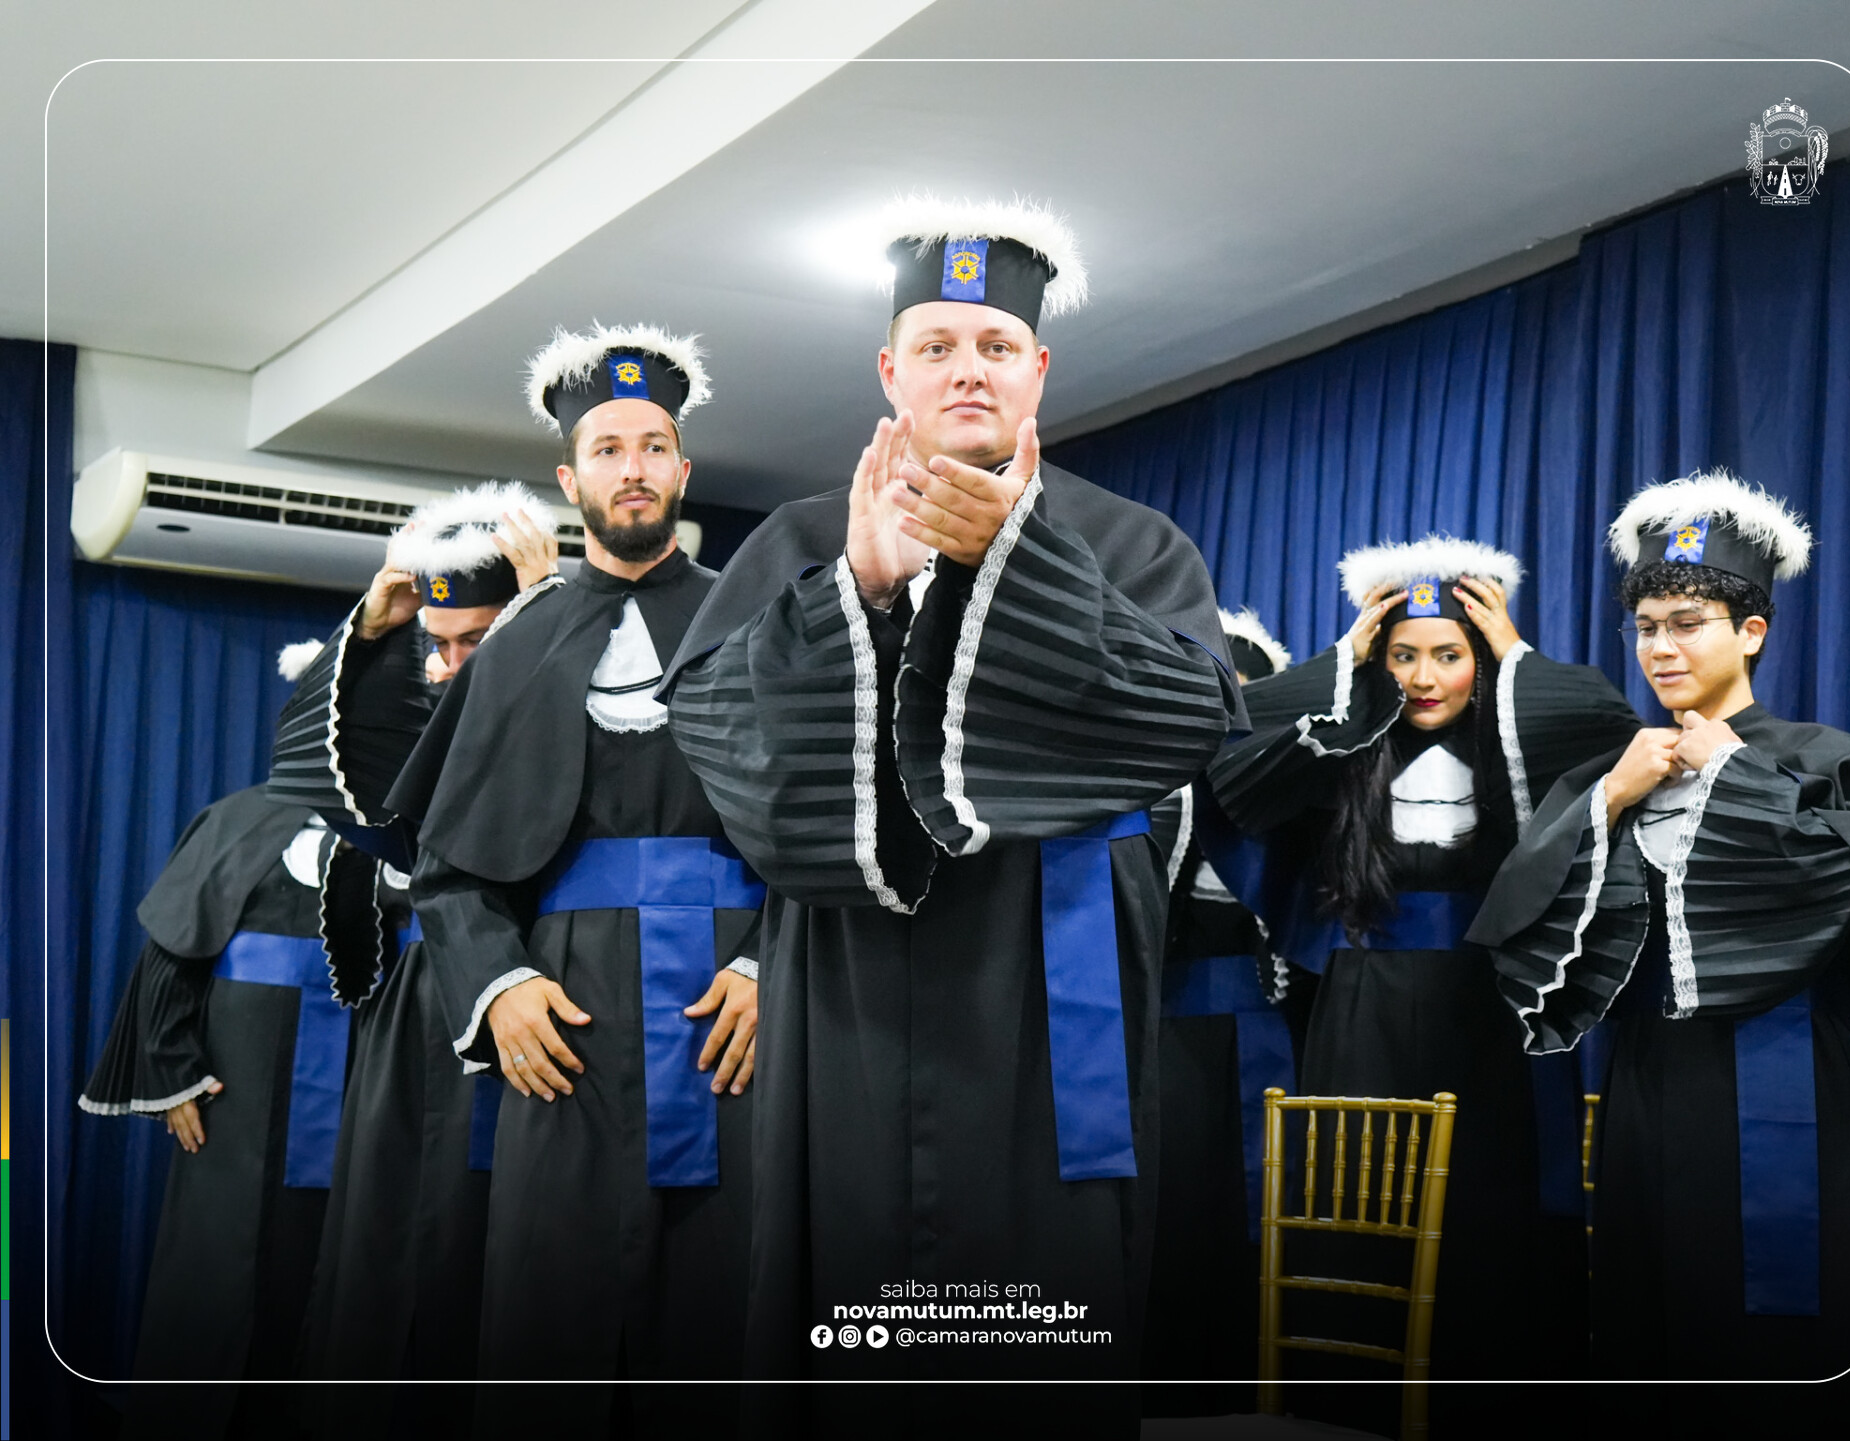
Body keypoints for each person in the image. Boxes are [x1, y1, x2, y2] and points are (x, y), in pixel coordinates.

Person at [659, 197, 1243, 1434]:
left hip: (1051, 960)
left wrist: (1021, 568)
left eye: (994, 345)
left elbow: (1190, 715)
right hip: (850, 968)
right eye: (936, 346)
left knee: (1042, 1284)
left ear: (1038, 368)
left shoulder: (1130, 541)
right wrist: (859, 590)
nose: (967, 369)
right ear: (891, 372)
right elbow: (715, 729)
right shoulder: (802, 537)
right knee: (850, 1254)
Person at [1467, 470, 1850, 1437]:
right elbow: (1515, 917)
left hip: (1782, 1070)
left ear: (1751, 632)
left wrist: (1734, 771)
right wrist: (1610, 799)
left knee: (1780, 1324)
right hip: (1645, 1078)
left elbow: (1835, 885)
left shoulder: (1829, 760)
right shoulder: (1619, 769)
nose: (1661, 647)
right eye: (1646, 627)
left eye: (1688, 623)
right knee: (1648, 1305)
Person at [383, 323, 763, 1433]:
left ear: (682, 469)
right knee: (551, 1319)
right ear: (571, 479)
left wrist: (772, 965)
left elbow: (828, 831)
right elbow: (448, 871)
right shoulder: (513, 644)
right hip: (567, 1023)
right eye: (607, 449)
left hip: (732, 1019)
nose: (632, 468)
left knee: (731, 1318)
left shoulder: (761, 624)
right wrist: (498, 989)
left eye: (652, 446)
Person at [1203, 536, 1639, 1421]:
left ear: (1483, 661)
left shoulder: (1520, 743)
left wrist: (1515, 653)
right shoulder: (1343, 752)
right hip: (1361, 1001)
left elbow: (1610, 726)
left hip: (1492, 1003)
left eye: (1449, 654)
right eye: (1403, 655)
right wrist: (1342, 660)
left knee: (1491, 1199)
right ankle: (1348, 1402)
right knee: (1355, 1188)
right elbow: (1231, 754)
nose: (1425, 677)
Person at [265, 485, 558, 1426]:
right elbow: (317, 771)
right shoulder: (427, 697)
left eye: (475, 640)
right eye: (441, 644)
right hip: (420, 1003)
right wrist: (371, 625)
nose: (451, 664)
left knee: (496, 1255)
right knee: (385, 1241)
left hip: (540, 990)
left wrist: (548, 613)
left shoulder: (572, 677)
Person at [79, 787, 379, 1437]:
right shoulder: (240, 820)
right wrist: (174, 1068)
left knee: (344, 1272)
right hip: (238, 1083)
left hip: (370, 1076)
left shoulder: (412, 832)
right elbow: (175, 948)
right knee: (219, 1266)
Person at [1143, 609, 1305, 1414]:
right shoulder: (1146, 785)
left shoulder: (1280, 797)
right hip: (1153, 1027)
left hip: (1254, 1021)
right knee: (1164, 1212)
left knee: (1253, 1211)